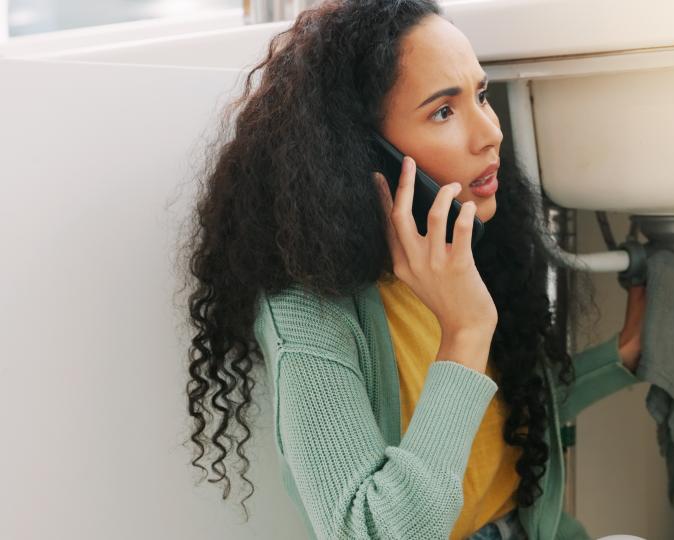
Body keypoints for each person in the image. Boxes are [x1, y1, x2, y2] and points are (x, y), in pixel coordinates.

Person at [179, 1, 646, 538]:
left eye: (481, 96)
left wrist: (619, 358)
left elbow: (493, 418)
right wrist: (466, 330)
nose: (490, 133)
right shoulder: (306, 312)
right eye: (443, 111)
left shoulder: (466, 239)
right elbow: (370, 530)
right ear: (360, 152)